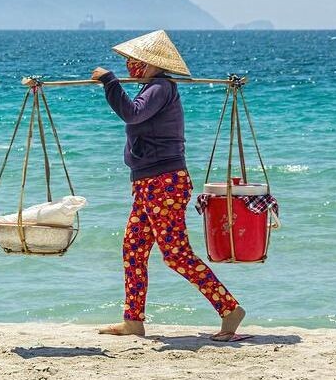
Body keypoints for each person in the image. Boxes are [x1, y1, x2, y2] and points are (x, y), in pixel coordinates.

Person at [91, 30, 245, 340]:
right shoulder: (152, 88)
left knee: (175, 253)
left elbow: (132, 115)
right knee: (133, 249)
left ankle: (229, 309)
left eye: (132, 61)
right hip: (146, 183)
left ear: (146, 63)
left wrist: (110, 81)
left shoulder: (160, 87)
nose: (128, 65)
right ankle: (133, 320)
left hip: (164, 183)